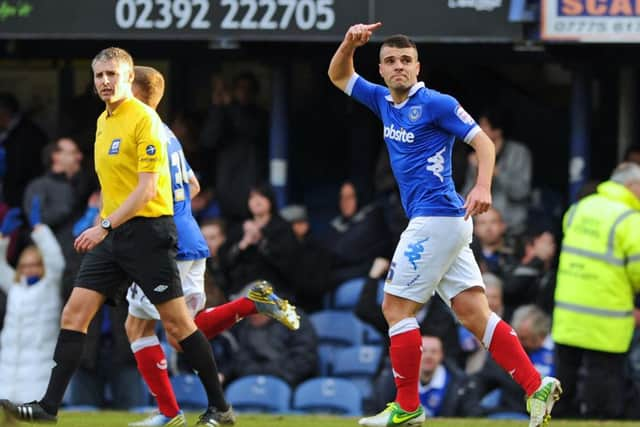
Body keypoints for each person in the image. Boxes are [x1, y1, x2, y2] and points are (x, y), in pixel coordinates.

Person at [328, 24, 561, 427]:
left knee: (395, 307)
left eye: (405, 60)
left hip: (436, 219)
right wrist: (349, 44)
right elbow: (339, 75)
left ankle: (407, 407)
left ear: (418, 67)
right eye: (390, 61)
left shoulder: (437, 103)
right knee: (474, 312)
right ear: (381, 70)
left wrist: (483, 185)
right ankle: (535, 385)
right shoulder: (382, 100)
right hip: (445, 223)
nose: (398, 67)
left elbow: (483, 142)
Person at [0, 47, 225, 424]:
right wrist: (103, 220)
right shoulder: (104, 121)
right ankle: (48, 407)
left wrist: (102, 225)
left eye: (112, 75)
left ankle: (220, 407)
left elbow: (149, 190)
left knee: (177, 325)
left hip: (148, 234)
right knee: (74, 313)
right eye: (99, 75)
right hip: (115, 235)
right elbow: (118, 187)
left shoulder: (145, 120)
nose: (105, 81)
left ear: (127, 78)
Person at [124, 66, 300, 427]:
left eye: (123, 84)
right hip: (189, 235)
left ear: (138, 93)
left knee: (139, 328)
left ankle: (170, 414)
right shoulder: (168, 133)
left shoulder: (138, 130)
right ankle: (252, 302)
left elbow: (145, 190)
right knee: (180, 335)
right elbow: (194, 186)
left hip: (163, 241)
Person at [552, 162, 640, 419]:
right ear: (631, 186)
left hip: (568, 312)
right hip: (606, 315)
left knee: (562, 383)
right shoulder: (629, 219)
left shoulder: (579, 208)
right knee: (604, 386)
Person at [0, 200, 65, 402]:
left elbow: (56, 260)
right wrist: (3, 238)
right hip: (8, 373)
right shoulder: (15, 287)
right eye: (25, 265)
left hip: (39, 373)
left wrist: (40, 230)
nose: (29, 269)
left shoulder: (49, 285)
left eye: (35, 264)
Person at [461, 107, 533, 236]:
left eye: (484, 125)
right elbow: (467, 196)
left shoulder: (518, 153)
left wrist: (494, 171)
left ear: (497, 129)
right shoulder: (476, 155)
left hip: (513, 226)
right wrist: (476, 170)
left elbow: (521, 191)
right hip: (481, 227)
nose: (479, 130)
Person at [373, 335, 478, 418]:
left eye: (434, 351)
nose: (428, 356)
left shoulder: (457, 383)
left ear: (441, 355)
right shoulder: (392, 380)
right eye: (423, 351)